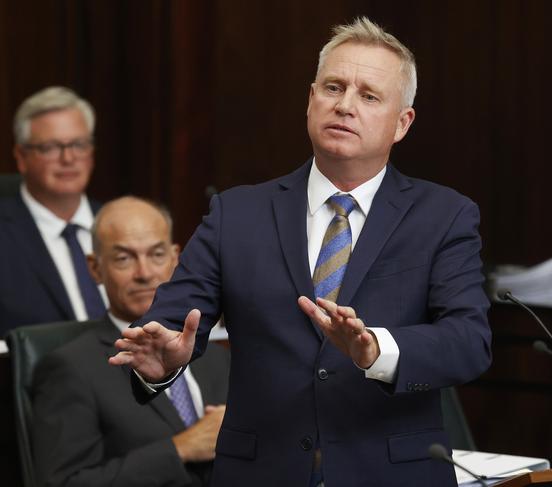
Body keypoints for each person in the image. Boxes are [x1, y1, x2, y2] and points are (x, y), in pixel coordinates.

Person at [111, 17, 491, 486]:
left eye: (368, 95)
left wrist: (376, 348)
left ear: (402, 123)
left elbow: (469, 342)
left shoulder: (444, 216)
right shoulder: (237, 213)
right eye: (333, 87)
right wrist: (163, 364)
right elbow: (168, 326)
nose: (345, 105)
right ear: (311, 100)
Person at [31, 196, 229, 487]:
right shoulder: (70, 367)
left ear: (176, 257)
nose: (144, 273)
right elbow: (64, 483)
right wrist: (180, 449)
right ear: (95, 268)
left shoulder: (218, 358)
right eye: (124, 258)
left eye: (157, 254)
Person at [0, 86, 106, 335]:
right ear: (21, 157)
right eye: (50, 147)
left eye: (79, 144)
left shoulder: (121, 224)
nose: (68, 158)